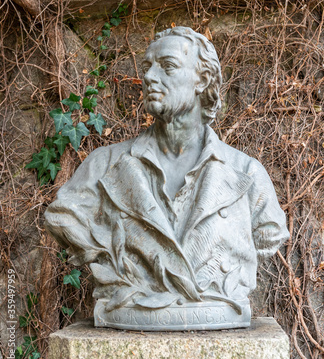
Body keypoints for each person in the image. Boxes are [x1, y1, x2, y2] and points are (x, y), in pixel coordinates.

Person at [45, 26, 289, 330]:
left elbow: (269, 234)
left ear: (202, 80)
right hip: (128, 310)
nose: (149, 77)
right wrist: (111, 254)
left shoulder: (247, 174)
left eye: (168, 66)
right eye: (147, 67)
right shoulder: (104, 166)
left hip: (218, 309)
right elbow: (61, 218)